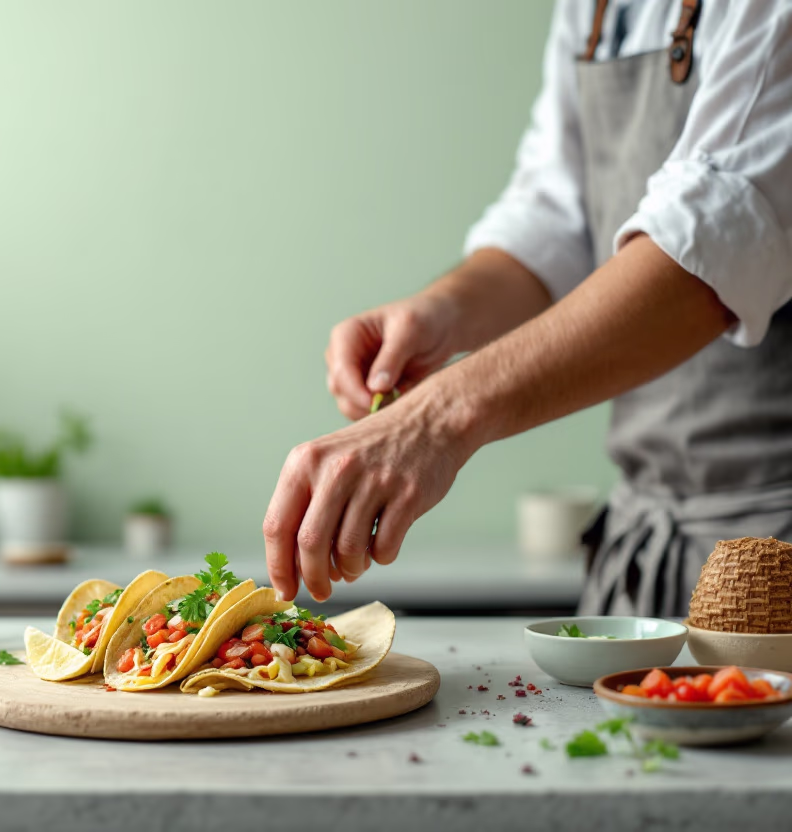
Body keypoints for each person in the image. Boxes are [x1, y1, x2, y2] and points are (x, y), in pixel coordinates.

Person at [263, 0, 792, 616]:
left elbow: (706, 258)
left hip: (776, 549)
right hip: (644, 543)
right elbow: (555, 218)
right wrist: (442, 311)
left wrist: (436, 420)